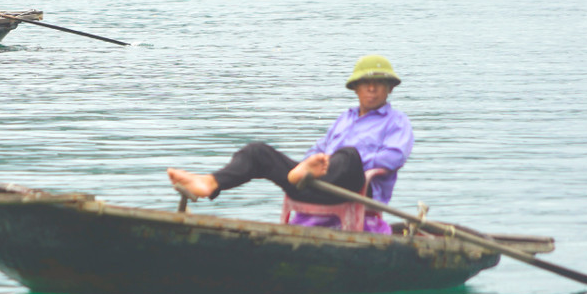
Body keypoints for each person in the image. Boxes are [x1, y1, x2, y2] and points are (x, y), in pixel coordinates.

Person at [167, 55, 413, 234]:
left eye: (379, 83)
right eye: (365, 83)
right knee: (258, 152)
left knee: (348, 156)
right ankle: (210, 183)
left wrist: (339, 163)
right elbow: (318, 148)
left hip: (355, 190)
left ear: (389, 88)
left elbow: (394, 157)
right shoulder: (344, 118)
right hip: (310, 183)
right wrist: (312, 163)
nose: (371, 88)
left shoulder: (396, 122)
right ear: (356, 88)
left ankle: (317, 171)